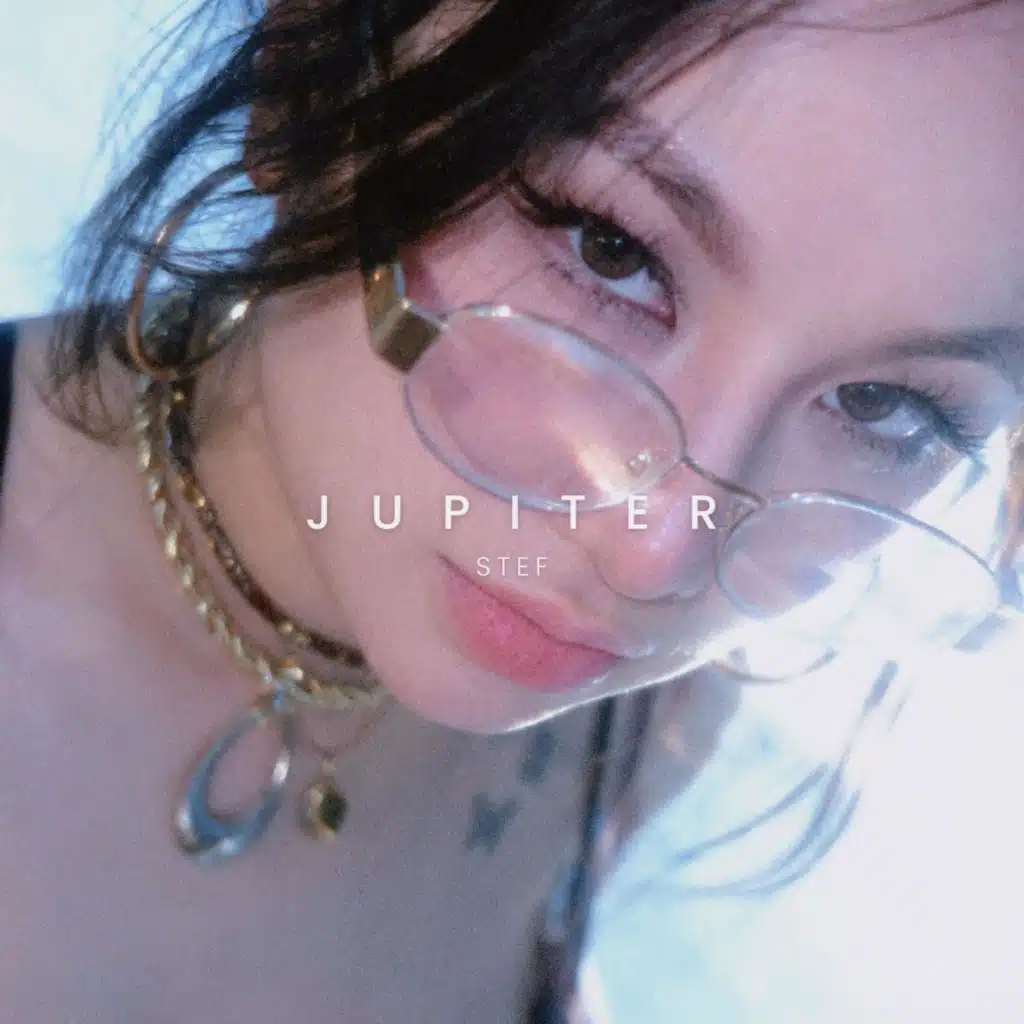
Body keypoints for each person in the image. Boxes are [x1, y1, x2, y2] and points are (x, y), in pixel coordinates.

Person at [0, 0, 1020, 1019]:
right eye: (610, 249)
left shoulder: (656, 723)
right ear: (307, 68)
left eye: (886, 406)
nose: (656, 552)